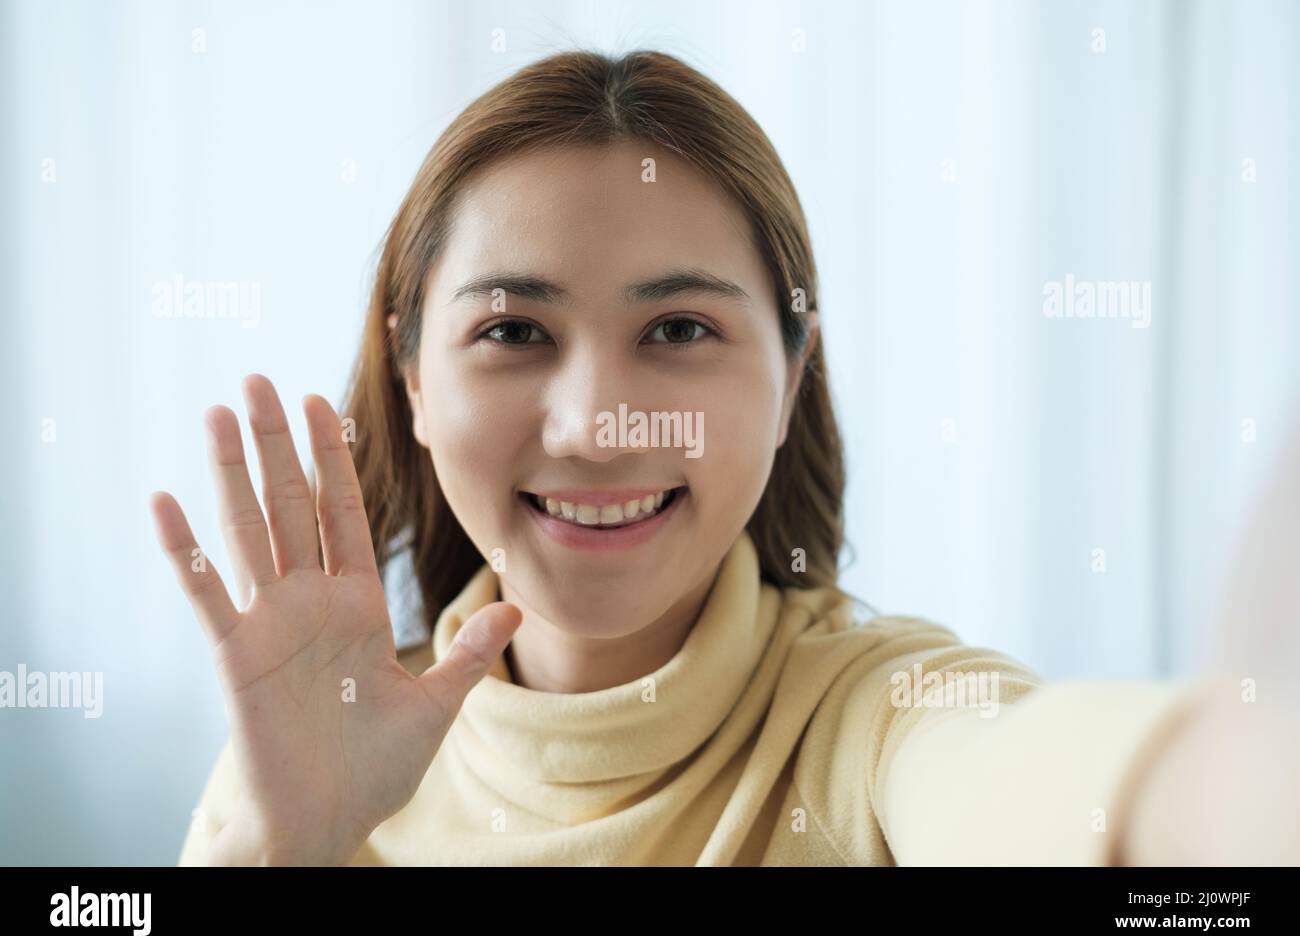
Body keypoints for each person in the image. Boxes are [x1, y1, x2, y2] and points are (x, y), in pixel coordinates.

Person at [150, 49, 1297, 866]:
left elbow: (1031, 782)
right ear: (410, 376)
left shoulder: (872, 714)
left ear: (792, 374)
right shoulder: (307, 744)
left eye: (680, 330)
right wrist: (271, 846)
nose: (598, 426)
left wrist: (1235, 772)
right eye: (512, 330)